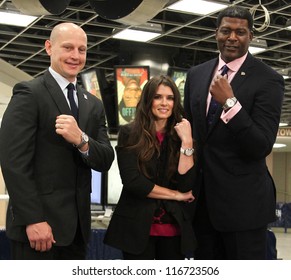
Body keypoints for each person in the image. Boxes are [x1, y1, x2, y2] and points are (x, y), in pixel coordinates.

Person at [0, 22, 114, 260]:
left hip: (77, 233)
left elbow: (104, 159)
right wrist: (33, 219)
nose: (75, 56)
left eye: (82, 50)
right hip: (39, 230)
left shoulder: (92, 104)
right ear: (49, 47)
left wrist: (81, 139)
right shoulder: (29, 93)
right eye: (68, 48)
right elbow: (14, 163)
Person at [184, 6, 284, 260]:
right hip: (201, 204)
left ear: (251, 36)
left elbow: (261, 145)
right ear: (216, 33)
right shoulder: (196, 75)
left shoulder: (268, 79)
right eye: (226, 30)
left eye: (241, 32)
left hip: (244, 207)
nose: (232, 37)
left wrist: (230, 104)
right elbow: (192, 131)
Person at [104, 75, 197, 260]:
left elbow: (186, 185)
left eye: (170, 98)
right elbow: (134, 183)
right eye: (158, 97)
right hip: (136, 228)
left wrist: (187, 142)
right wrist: (175, 195)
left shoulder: (183, 136)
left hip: (173, 229)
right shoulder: (130, 133)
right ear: (148, 100)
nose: (164, 103)